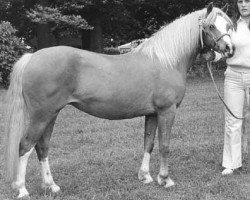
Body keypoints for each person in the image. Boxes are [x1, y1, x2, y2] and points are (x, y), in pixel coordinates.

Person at [203, 0, 250, 175]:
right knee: (232, 121)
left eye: (247, 1)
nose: (244, 5)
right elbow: (223, 50)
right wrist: (213, 56)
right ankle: (231, 163)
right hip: (233, 77)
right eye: (240, 1)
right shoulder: (231, 26)